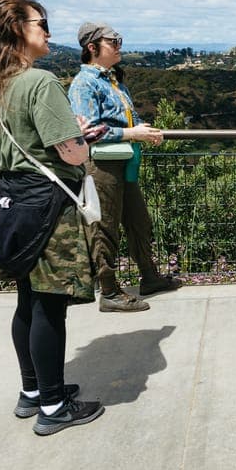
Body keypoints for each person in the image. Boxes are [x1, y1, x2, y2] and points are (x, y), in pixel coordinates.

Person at [0, 0, 104, 435]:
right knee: (50, 306)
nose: (48, 32)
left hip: (11, 201)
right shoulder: (39, 82)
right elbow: (69, 151)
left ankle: (33, 391)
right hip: (47, 203)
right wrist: (85, 140)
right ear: (17, 29)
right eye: (41, 23)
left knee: (27, 300)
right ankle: (54, 407)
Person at [68, 22, 180, 313]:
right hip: (103, 165)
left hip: (124, 161)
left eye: (119, 39)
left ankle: (150, 277)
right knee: (105, 227)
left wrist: (141, 128)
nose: (118, 45)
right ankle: (108, 291)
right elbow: (87, 131)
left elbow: (124, 119)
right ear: (92, 48)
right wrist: (133, 134)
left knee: (138, 221)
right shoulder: (85, 83)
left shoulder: (113, 80)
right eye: (112, 41)